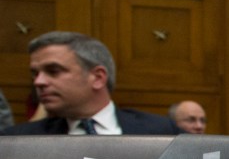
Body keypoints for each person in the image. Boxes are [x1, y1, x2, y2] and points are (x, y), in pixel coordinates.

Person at [0, 31, 177, 136]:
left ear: (98, 78)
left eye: (53, 71)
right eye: (35, 74)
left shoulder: (162, 131)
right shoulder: (18, 140)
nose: (38, 82)